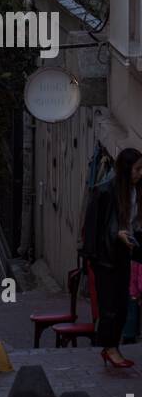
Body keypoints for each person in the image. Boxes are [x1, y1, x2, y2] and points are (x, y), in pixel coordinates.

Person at [82, 146, 142, 369]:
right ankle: (109, 348)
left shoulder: (134, 191)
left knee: (122, 304)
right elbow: (94, 227)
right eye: (137, 169)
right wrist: (116, 235)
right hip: (106, 257)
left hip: (124, 253)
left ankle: (113, 346)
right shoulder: (106, 190)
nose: (140, 173)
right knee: (110, 305)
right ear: (126, 169)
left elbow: (133, 223)